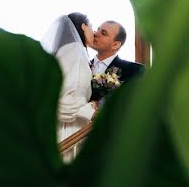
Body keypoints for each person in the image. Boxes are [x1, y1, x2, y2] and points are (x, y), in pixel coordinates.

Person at [41, 12, 97, 157]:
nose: (94, 32)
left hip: (76, 126)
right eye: (92, 27)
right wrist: (92, 113)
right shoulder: (73, 50)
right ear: (84, 27)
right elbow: (62, 101)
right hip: (70, 131)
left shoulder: (77, 52)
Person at [90, 20, 145, 104]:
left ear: (115, 44)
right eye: (98, 30)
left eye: (103, 33)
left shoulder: (135, 70)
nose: (96, 34)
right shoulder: (81, 65)